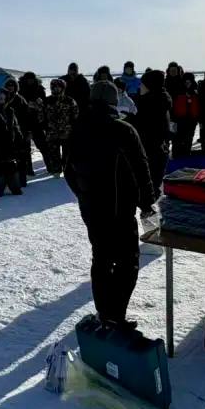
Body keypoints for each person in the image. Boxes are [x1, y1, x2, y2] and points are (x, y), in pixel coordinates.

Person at [64, 80, 157, 326]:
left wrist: (83, 195)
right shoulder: (122, 130)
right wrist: (147, 202)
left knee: (102, 259)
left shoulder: (77, 129)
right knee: (127, 261)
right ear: (113, 101)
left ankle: (106, 314)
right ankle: (114, 315)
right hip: (119, 210)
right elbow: (141, 168)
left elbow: (68, 172)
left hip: (92, 210)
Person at [132, 69, 172, 193]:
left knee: (150, 187)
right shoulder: (156, 100)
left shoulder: (152, 104)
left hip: (152, 151)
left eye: (142, 84)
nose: (140, 87)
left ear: (150, 86)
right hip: (156, 151)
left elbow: (145, 126)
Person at [2, 76, 35, 184]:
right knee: (9, 155)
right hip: (7, 132)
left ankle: (25, 175)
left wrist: (29, 131)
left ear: (15, 87)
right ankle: (10, 179)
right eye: (8, 85)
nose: (10, 87)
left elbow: (28, 116)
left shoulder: (20, 99)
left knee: (24, 153)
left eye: (12, 85)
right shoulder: (2, 99)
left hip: (21, 130)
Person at [42, 78, 79, 176]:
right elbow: (41, 116)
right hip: (52, 132)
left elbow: (75, 115)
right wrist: (45, 126)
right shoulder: (47, 101)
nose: (56, 89)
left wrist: (72, 126)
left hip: (66, 132)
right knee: (53, 154)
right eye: (54, 87)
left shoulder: (69, 100)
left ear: (63, 88)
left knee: (67, 153)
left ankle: (67, 171)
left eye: (59, 87)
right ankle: (57, 171)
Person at [17, 72, 49, 172]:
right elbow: (19, 105)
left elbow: (44, 104)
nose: (30, 81)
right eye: (28, 79)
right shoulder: (20, 89)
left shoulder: (39, 88)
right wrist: (28, 105)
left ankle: (50, 167)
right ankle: (28, 170)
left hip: (37, 122)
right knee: (26, 149)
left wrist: (39, 104)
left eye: (32, 79)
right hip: (24, 122)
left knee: (43, 146)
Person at [171, 72, 201, 158]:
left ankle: (186, 155)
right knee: (178, 139)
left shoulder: (196, 92)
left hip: (192, 120)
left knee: (189, 138)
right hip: (179, 119)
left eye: (189, 81)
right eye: (186, 81)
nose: (187, 83)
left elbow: (199, 106)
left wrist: (197, 118)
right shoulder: (178, 91)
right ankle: (176, 156)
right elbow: (173, 106)